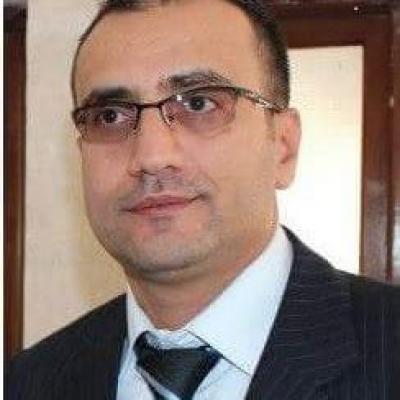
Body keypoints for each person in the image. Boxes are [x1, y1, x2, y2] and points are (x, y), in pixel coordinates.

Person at [6, 0, 400, 399]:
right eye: (110, 116)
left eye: (198, 103)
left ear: (283, 146)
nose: (151, 157)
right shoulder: (27, 383)